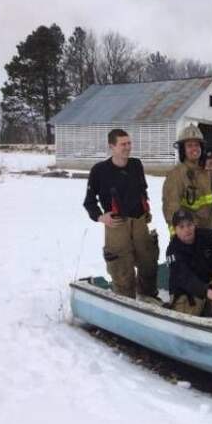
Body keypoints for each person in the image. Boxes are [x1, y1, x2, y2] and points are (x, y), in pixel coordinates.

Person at [83, 129, 159, 303]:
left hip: (140, 222)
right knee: (122, 271)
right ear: (112, 146)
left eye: (129, 143)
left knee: (148, 264)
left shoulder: (136, 165)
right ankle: (125, 305)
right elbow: (89, 201)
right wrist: (101, 217)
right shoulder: (99, 170)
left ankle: (150, 301)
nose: (127, 147)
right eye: (123, 144)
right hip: (117, 225)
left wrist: (146, 209)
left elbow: (143, 190)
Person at [162, 123, 212, 233]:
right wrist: (178, 238)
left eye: (197, 145)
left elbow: (210, 208)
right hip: (188, 235)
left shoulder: (206, 173)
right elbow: (171, 210)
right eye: (190, 145)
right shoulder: (176, 174)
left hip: (207, 231)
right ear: (183, 150)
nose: (194, 149)